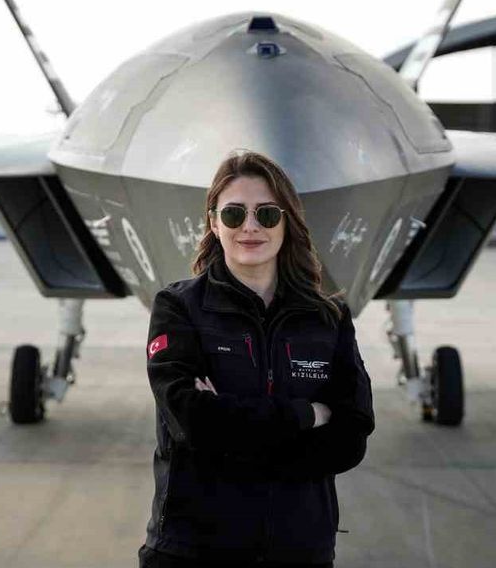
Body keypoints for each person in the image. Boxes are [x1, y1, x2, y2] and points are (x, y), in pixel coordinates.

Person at [139, 150, 375, 567]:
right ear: (214, 223)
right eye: (234, 214)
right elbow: (193, 422)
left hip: (300, 550)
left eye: (266, 214)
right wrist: (308, 414)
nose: (250, 226)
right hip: (193, 551)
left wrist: (233, 431)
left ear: (287, 221)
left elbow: (351, 437)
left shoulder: (328, 317)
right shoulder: (179, 308)